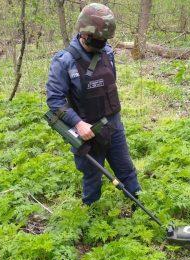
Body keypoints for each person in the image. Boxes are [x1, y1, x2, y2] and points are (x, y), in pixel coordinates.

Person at [45, 3, 141, 206]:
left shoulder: (108, 52)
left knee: (126, 169)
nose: (102, 43)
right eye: (97, 39)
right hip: (87, 130)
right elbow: (54, 101)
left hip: (113, 123)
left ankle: (139, 203)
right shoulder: (64, 61)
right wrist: (78, 123)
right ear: (84, 34)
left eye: (104, 39)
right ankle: (91, 212)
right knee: (92, 176)